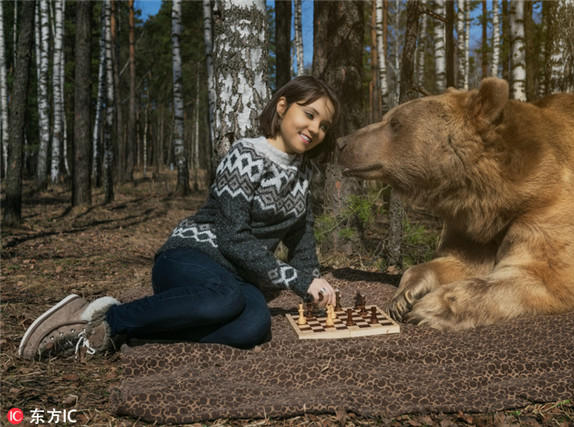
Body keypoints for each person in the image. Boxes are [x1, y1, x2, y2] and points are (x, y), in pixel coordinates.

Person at [19, 76, 340, 360]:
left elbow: (302, 237)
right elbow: (232, 237)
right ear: (282, 106)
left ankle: (125, 333)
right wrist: (298, 280)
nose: (315, 128)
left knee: (253, 327)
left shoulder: (302, 176)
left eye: (324, 125)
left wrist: (314, 289)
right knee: (223, 298)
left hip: (239, 277)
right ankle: (106, 317)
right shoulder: (247, 156)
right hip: (192, 257)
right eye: (309, 114)